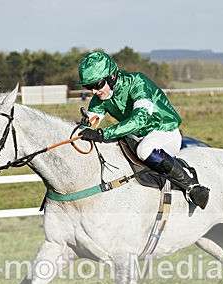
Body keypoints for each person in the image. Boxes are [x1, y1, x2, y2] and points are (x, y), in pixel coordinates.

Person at [76, 51, 210, 209]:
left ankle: (192, 185)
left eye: (97, 85)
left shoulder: (137, 82)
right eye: (88, 87)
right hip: (136, 136)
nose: (93, 91)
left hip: (164, 131)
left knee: (144, 150)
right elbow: (89, 125)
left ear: (112, 76)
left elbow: (140, 119)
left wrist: (103, 133)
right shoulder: (100, 98)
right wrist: (82, 131)